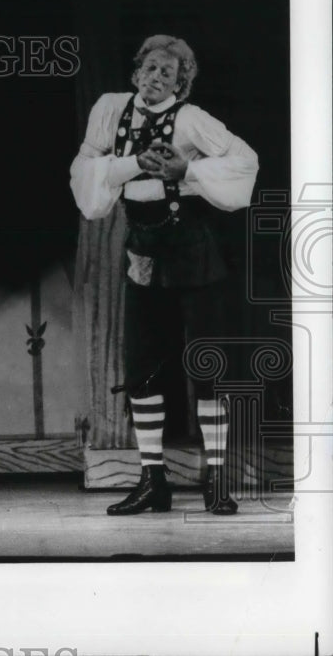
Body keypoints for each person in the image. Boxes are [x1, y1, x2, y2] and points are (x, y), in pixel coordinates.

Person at [70, 34, 259, 515]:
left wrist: (187, 174)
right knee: (143, 367)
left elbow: (245, 163)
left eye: (168, 74)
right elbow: (87, 175)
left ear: (183, 84)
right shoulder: (111, 109)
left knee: (207, 364)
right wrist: (134, 163)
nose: (156, 78)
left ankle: (216, 480)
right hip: (144, 252)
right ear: (136, 71)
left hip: (193, 250)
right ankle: (153, 480)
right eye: (150, 68)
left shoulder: (192, 120)